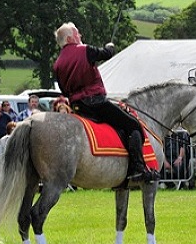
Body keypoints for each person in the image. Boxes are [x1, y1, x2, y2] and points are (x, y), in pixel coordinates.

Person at [53, 22, 158, 182]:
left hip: (78, 106)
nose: (80, 36)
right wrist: (110, 46)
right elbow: (106, 53)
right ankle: (137, 168)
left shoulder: (58, 63)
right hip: (96, 104)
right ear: (69, 38)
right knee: (133, 126)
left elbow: (64, 91)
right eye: (77, 33)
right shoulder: (84, 50)